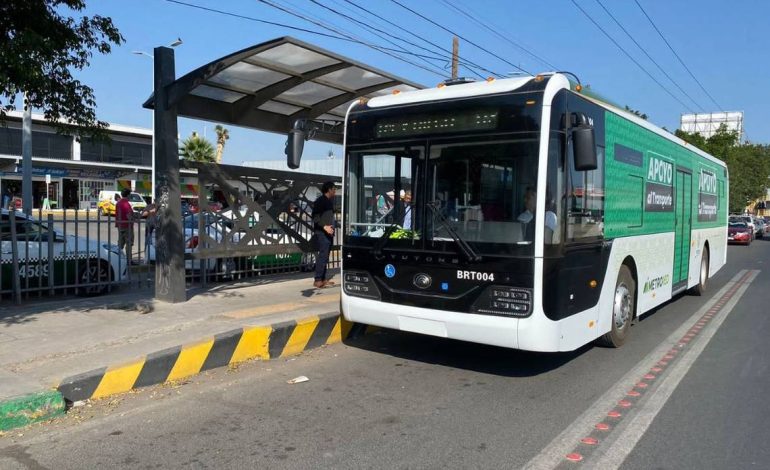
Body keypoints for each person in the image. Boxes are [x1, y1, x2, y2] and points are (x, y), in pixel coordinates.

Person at [311, 181, 337, 288]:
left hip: (329, 233)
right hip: (322, 233)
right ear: (329, 189)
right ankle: (317, 280)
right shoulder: (320, 201)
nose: (335, 190)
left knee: (325, 256)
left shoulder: (329, 201)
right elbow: (315, 217)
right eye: (334, 189)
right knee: (322, 256)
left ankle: (323, 278)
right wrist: (325, 227)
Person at [115, 188, 135, 262]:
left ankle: (117, 258)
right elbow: (128, 216)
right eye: (130, 194)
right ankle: (129, 260)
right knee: (129, 244)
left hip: (120, 225)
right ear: (128, 195)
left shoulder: (118, 203)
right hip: (127, 226)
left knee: (120, 243)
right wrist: (134, 220)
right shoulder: (126, 204)